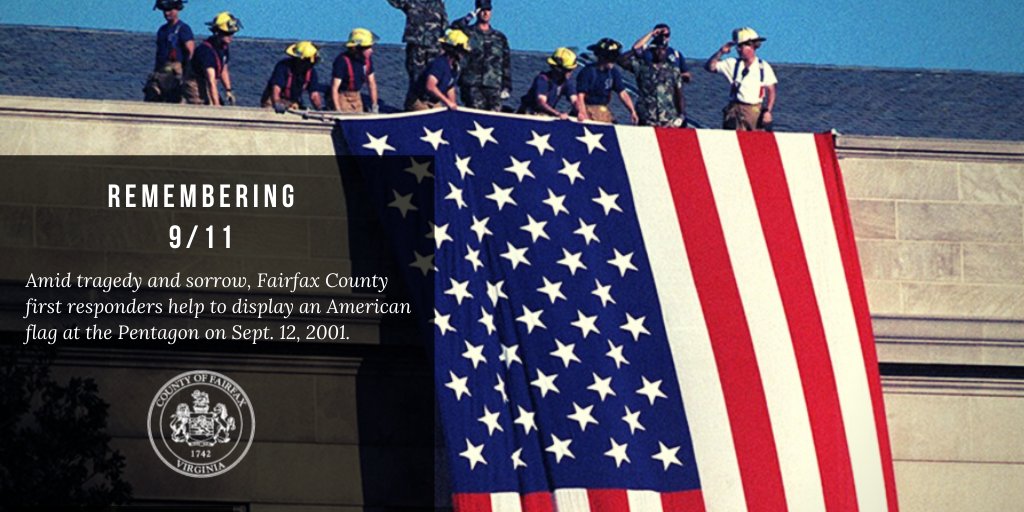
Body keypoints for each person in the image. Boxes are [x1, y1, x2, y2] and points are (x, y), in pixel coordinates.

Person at [704, 27, 778, 131]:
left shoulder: (763, 67)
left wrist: (768, 111)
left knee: (755, 142)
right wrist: (721, 52)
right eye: (737, 46)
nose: (738, 49)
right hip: (735, 111)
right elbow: (710, 67)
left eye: (741, 46)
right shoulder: (732, 64)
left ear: (752, 46)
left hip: (754, 112)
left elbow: (771, 91)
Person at [386, 0, 448, 109]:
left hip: (434, 46)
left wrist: (444, 45)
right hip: (416, 45)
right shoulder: (411, 1)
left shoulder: (438, 3)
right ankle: (415, 102)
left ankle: (431, 101)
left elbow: (445, 25)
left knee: (434, 75)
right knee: (416, 75)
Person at [457, 0, 511, 111]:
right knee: (474, 118)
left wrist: (507, 85)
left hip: (494, 85)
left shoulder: (499, 37)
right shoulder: (467, 33)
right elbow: (451, 30)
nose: (485, 13)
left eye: (488, 10)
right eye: (482, 10)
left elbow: (505, 62)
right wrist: (469, 17)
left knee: (495, 120)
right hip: (472, 84)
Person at [623, 35, 685, 127]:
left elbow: (678, 93)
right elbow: (621, 60)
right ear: (651, 51)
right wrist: (646, 39)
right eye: (657, 49)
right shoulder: (642, 67)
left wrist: (682, 115)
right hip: (647, 117)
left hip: (668, 118)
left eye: (663, 49)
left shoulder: (673, 70)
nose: (660, 52)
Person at [184, 11, 241, 106]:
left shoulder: (224, 47)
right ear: (217, 33)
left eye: (232, 33)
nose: (231, 37)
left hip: (209, 83)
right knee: (203, 108)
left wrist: (228, 90)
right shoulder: (206, 51)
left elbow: (223, 68)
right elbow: (211, 81)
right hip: (196, 85)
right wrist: (216, 107)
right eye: (227, 34)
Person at [575, 38, 638, 124]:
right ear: (602, 57)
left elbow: (623, 93)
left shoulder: (613, 72)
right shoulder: (588, 71)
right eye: (610, 58)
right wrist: (582, 112)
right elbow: (580, 95)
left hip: (603, 109)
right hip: (588, 108)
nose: (612, 62)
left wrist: (632, 111)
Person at [143, 0, 195, 103]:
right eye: (164, 11)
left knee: (174, 98)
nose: (167, 13)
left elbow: (191, 51)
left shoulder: (183, 29)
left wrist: (187, 73)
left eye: (170, 10)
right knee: (152, 94)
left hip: (176, 72)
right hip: (161, 71)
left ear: (177, 9)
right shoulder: (162, 30)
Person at [409, 29, 470, 111]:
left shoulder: (455, 67)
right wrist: (447, 102)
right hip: (420, 101)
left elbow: (450, 87)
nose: (463, 55)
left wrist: (453, 104)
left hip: (434, 102)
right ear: (454, 50)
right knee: (431, 120)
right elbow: (430, 86)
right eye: (461, 51)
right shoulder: (439, 64)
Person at [260, 41, 324, 112]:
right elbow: (276, 88)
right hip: (273, 101)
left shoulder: (311, 72)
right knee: (269, 108)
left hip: (293, 103)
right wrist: (277, 103)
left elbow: (314, 95)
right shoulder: (282, 67)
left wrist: (320, 108)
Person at [517, 47, 578, 119]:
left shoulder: (566, 82)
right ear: (558, 69)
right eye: (568, 70)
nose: (570, 73)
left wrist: (580, 111)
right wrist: (558, 114)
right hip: (529, 115)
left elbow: (574, 100)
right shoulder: (543, 80)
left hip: (547, 116)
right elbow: (541, 103)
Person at [332, 28, 379, 113]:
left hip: (357, 97)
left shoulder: (367, 61)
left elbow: (372, 84)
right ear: (358, 49)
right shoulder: (342, 61)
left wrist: (374, 106)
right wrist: (338, 110)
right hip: (343, 97)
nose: (371, 50)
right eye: (367, 48)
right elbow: (335, 88)